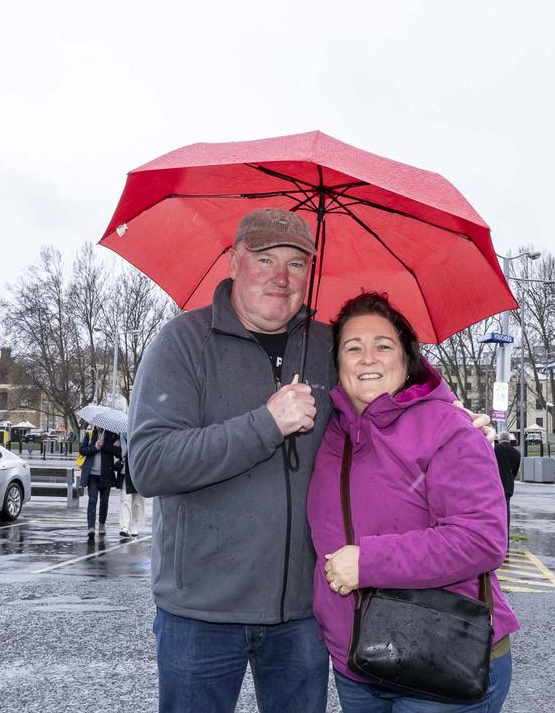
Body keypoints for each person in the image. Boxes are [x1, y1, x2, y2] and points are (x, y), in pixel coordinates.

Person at [129, 208, 334, 713]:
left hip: (303, 614)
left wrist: (451, 426)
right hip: (201, 612)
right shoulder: (182, 343)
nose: (280, 277)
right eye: (264, 259)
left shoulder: (331, 347)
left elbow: (388, 414)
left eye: (296, 263)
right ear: (234, 261)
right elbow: (150, 464)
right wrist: (265, 424)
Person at [309, 292, 519, 712]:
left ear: (407, 359)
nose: (367, 358)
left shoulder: (448, 428)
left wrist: (367, 563)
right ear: (338, 365)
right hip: (357, 663)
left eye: (382, 346)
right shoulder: (327, 433)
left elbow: (481, 539)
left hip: (440, 659)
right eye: (353, 348)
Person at [78, 425, 120, 538]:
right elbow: (82, 450)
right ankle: (91, 527)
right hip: (92, 475)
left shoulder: (113, 435)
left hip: (106, 475)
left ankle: (102, 524)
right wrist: (95, 447)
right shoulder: (90, 434)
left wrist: (105, 445)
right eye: (97, 424)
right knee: (92, 500)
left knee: (104, 502)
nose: (99, 425)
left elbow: (118, 452)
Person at [494, 431, 521, 536]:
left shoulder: (494, 450)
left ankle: (495, 530)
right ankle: (505, 532)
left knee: (494, 507)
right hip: (508, 484)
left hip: (495, 482)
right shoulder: (516, 453)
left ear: (499, 440)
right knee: (506, 508)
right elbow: (515, 470)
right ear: (509, 440)